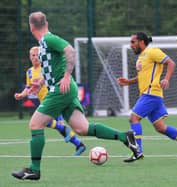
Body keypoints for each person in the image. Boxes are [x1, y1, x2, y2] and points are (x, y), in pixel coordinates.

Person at [12, 11, 140, 181]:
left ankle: (34, 170)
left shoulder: (49, 39)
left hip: (60, 90)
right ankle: (126, 136)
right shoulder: (44, 43)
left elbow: (70, 51)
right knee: (82, 129)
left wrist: (65, 76)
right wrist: (41, 82)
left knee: (35, 124)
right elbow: (55, 65)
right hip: (64, 89)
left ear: (31, 27)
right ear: (46, 23)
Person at [117, 32, 177, 162]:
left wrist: (166, 79)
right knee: (161, 128)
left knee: (133, 118)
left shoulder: (153, 51)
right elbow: (142, 77)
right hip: (149, 95)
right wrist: (128, 82)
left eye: (133, 42)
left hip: (151, 93)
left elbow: (171, 63)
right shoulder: (141, 58)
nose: (131, 45)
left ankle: (138, 151)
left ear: (141, 42)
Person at [14, 46, 86, 156]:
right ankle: (79, 145)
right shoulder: (29, 72)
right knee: (59, 128)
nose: (35, 57)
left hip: (55, 100)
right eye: (32, 55)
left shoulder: (46, 68)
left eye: (37, 55)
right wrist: (21, 95)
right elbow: (28, 87)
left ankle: (73, 138)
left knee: (46, 122)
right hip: (45, 103)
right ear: (29, 57)